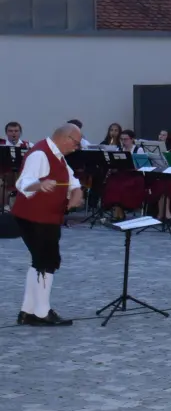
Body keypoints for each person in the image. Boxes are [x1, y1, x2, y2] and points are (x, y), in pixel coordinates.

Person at [11, 123, 84, 326]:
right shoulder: (41, 154)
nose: (76, 148)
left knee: (40, 261)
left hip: (48, 217)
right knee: (47, 261)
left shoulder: (58, 156)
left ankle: (27, 311)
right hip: (34, 217)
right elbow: (23, 183)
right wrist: (39, 185)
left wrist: (76, 194)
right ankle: (42, 312)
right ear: (65, 138)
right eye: (76, 143)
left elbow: (73, 182)